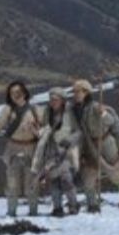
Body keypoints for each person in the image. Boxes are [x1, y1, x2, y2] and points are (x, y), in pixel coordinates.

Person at [71, 79, 119, 212]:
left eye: (79, 91)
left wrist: (103, 114)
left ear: (86, 92)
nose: (76, 94)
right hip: (89, 145)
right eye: (75, 91)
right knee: (88, 177)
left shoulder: (95, 107)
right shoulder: (75, 109)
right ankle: (92, 205)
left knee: (115, 173)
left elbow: (111, 121)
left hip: (106, 143)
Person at [0, 81, 42, 218]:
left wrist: (35, 130)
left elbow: (45, 130)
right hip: (13, 149)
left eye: (18, 92)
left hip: (32, 149)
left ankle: (33, 212)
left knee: (32, 183)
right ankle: (11, 213)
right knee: (12, 183)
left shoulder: (35, 110)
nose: (15, 95)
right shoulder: (7, 110)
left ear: (24, 93)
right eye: (12, 93)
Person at [32, 88, 81, 217]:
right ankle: (57, 207)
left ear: (62, 100)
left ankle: (73, 205)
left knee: (66, 179)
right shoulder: (47, 113)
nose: (53, 102)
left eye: (55, 99)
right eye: (51, 99)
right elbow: (44, 128)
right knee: (53, 180)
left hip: (66, 150)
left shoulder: (70, 112)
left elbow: (78, 131)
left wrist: (69, 140)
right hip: (50, 151)